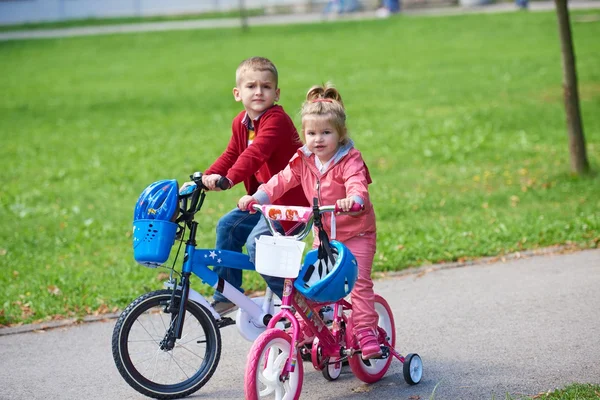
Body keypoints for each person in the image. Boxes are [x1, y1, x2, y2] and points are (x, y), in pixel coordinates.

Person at [238, 83, 382, 360]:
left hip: (357, 233)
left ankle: (366, 331)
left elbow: (357, 184)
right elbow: (281, 181)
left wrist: (354, 200)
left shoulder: (350, 159)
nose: (318, 139)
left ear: (340, 135)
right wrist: (258, 197)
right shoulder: (303, 159)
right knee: (311, 284)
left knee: (360, 283)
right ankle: (309, 328)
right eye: (312, 133)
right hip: (324, 234)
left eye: (326, 133)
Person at [199, 56, 309, 315]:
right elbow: (232, 154)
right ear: (238, 93)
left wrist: (228, 180)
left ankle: (300, 303)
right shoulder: (241, 123)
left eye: (266, 86)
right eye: (251, 86)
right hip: (264, 202)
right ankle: (228, 294)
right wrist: (207, 177)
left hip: (290, 204)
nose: (259, 91)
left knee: (258, 243)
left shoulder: (276, 121)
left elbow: (255, 154)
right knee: (227, 226)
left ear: (277, 93)